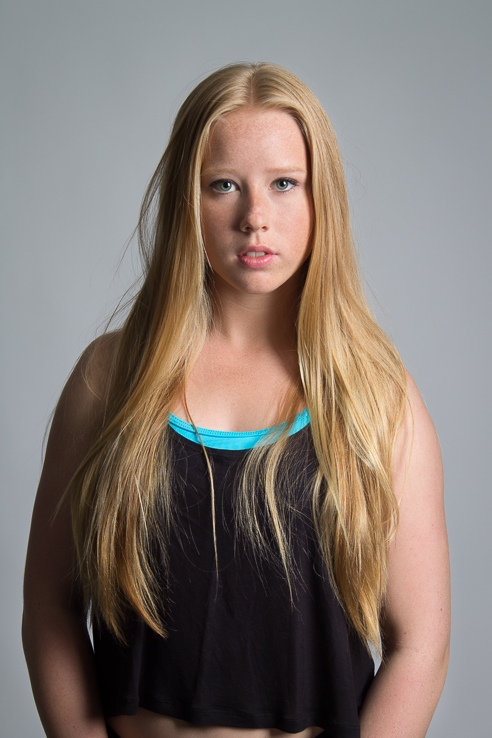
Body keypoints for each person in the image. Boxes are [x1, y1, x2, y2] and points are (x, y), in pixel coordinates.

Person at [22, 62, 450, 738]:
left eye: (284, 184)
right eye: (224, 185)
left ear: (321, 198)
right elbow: (50, 606)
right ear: (186, 200)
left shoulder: (375, 394)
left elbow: (420, 646)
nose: (256, 218)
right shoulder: (110, 377)